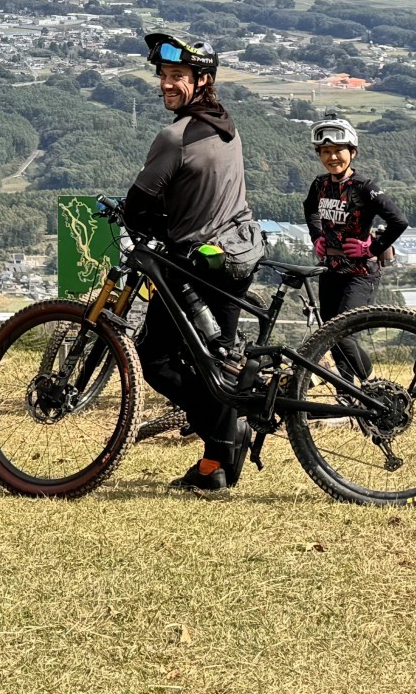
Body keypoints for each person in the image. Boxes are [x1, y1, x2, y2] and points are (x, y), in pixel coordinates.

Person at [124, 32, 265, 495]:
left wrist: (142, 220)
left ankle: (228, 433)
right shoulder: (226, 125)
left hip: (201, 264)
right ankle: (213, 469)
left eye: (178, 76)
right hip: (239, 254)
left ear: (202, 80)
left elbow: (138, 207)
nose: (167, 83)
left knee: (156, 358)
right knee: (216, 364)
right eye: (163, 75)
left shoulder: (175, 137)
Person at [302, 118, 408, 379]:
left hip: (361, 273)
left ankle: (369, 387)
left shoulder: (363, 187)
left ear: (353, 152)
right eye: (325, 151)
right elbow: (310, 209)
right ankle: (347, 392)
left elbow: (399, 221)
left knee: (342, 333)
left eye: (339, 150)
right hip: (330, 269)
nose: (332, 157)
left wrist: (371, 249)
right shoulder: (320, 184)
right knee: (329, 333)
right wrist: (317, 236)